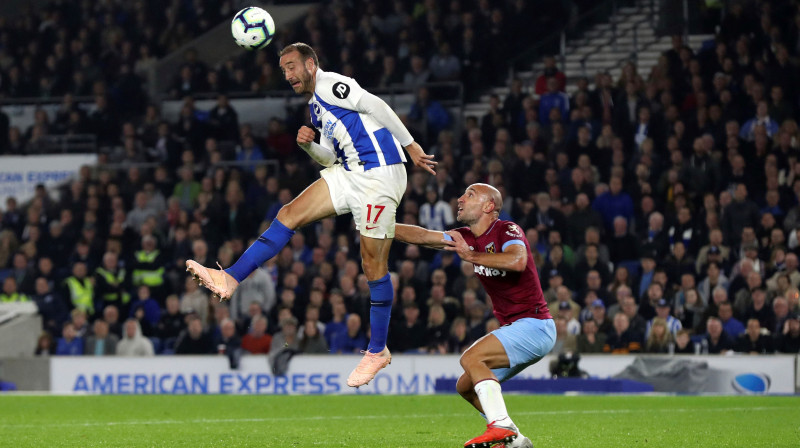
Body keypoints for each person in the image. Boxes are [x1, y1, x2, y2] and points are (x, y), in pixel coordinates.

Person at [185, 43, 435, 388]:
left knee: (372, 265)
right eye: (283, 69)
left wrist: (411, 145)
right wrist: (308, 146)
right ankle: (230, 278)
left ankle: (377, 350)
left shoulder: (332, 84)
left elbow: (376, 105)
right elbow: (331, 159)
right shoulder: (317, 108)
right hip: (350, 172)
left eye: (291, 67)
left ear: (311, 64)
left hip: (379, 175)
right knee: (289, 213)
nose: (287, 75)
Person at [394, 183, 553, 448]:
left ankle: (500, 426)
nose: (460, 199)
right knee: (465, 386)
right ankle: (516, 440)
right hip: (518, 328)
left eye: (470, 195)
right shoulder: (465, 236)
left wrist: (472, 256)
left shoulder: (507, 229)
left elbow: (517, 261)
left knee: (471, 357)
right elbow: (422, 236)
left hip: (535, 325)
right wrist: (378, 225)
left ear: (489, 206)